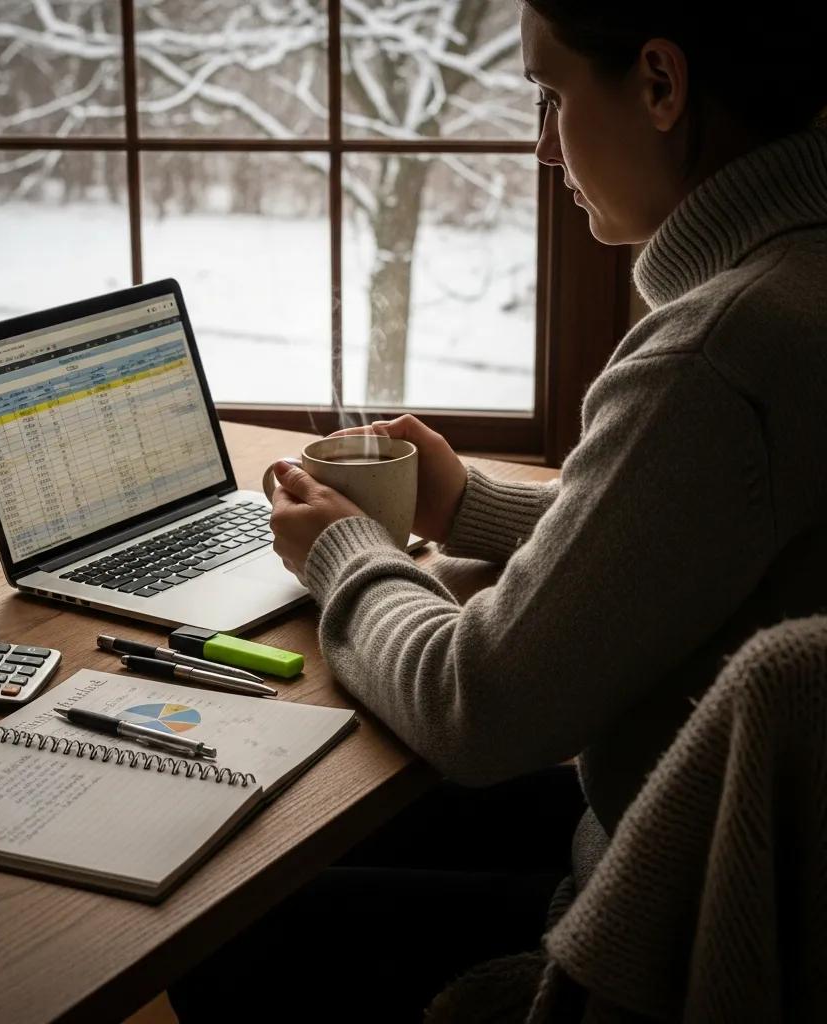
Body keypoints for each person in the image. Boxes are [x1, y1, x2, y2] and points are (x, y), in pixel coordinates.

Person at [170, 1, 827, 1019]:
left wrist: (344, 555)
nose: (541, 147)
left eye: (550, 95)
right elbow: (695, 542)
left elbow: (477, 705)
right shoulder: (799, 289)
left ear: (660, 84)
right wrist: (468, 506)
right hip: (733, 872)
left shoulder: (718, 353)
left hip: (656, 924)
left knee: (223, 926)